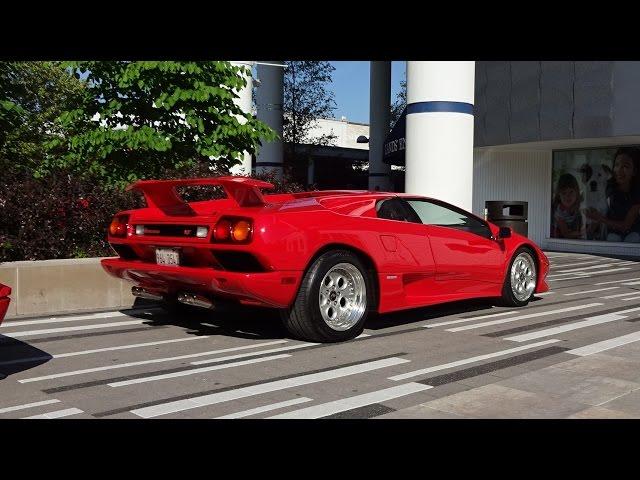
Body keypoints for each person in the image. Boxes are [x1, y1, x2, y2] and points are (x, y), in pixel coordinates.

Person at [585, 147, 640, 242]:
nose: (619, 170)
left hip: (633, 234)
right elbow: (600, 209)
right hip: (612, 234)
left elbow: (626, 226)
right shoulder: (608, 187)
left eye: (625, 166)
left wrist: (599, 218)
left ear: (634, 171)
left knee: (633, 238)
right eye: (617, 165)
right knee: (613, 238)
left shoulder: (637, 193)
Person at [552, 173, 584, 239]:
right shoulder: (559, 212)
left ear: (577, 192)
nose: (568, 196)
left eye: (571, 192)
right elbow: (566, 234)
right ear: (559, 195)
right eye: (564, 193)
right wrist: (585, 231)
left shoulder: (578, 207)